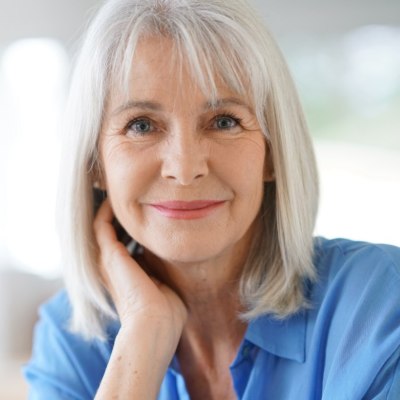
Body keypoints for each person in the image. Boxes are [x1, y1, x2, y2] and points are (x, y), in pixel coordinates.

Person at [24, 0, 400, 398]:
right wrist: (144, 335)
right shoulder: (70, 337)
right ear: (95, 163)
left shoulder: (377, 302)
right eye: (141, 125)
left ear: (272, 153)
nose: (184, 168)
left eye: (224, 122)